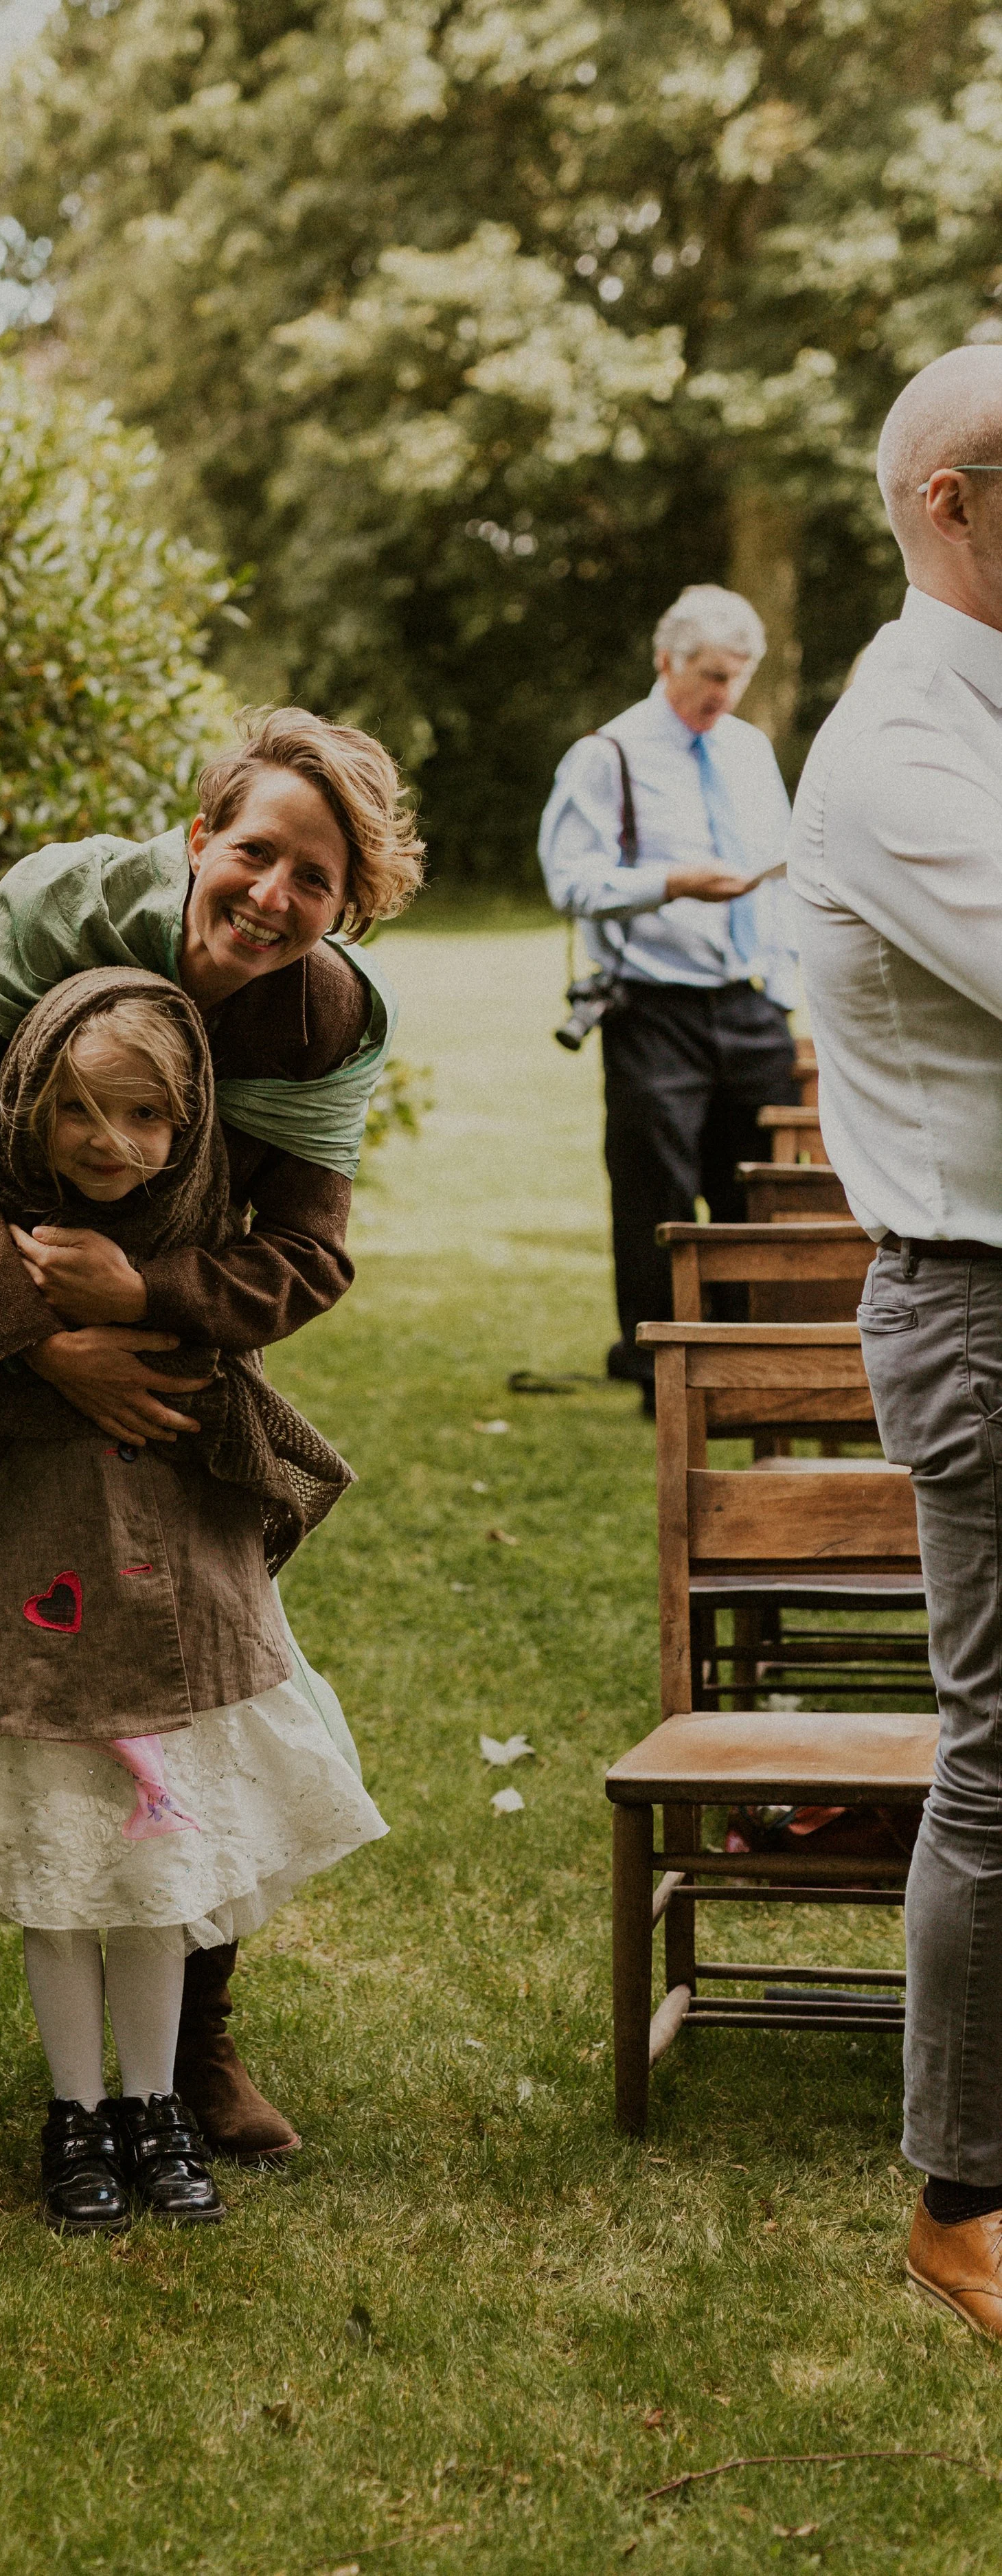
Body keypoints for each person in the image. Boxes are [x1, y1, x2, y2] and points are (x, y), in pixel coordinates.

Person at [0, 705, 424, 2192]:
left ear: (344, 907)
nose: (271, 895)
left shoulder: (328, 1024)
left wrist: (152, 1300)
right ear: (196, 839)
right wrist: (43, 1342)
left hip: (167, 1373)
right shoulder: (56, 906)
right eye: (252, 852)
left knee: (195, 1697)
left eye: (315, 880)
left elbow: (302, 1253)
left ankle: (196, 2050)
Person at [789, 343, 1002, 2338]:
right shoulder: (888, 748)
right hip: (977, 1299)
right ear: (950, 497)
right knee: (1001, 1763)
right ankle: (956, 2195)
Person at [538, 585, 800, 1409]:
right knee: (655, 1187)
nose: (722, 694)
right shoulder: (606, 754)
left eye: (737, 678)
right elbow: (569, 881)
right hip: (653, 1007)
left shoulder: (751, 751)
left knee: (754, 1186)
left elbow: (784, 875)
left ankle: (746, 1362)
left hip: (753, 1002)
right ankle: (659, 1368)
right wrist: (673, 884)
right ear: (666, 661)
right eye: (710, 675)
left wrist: (788, 985)